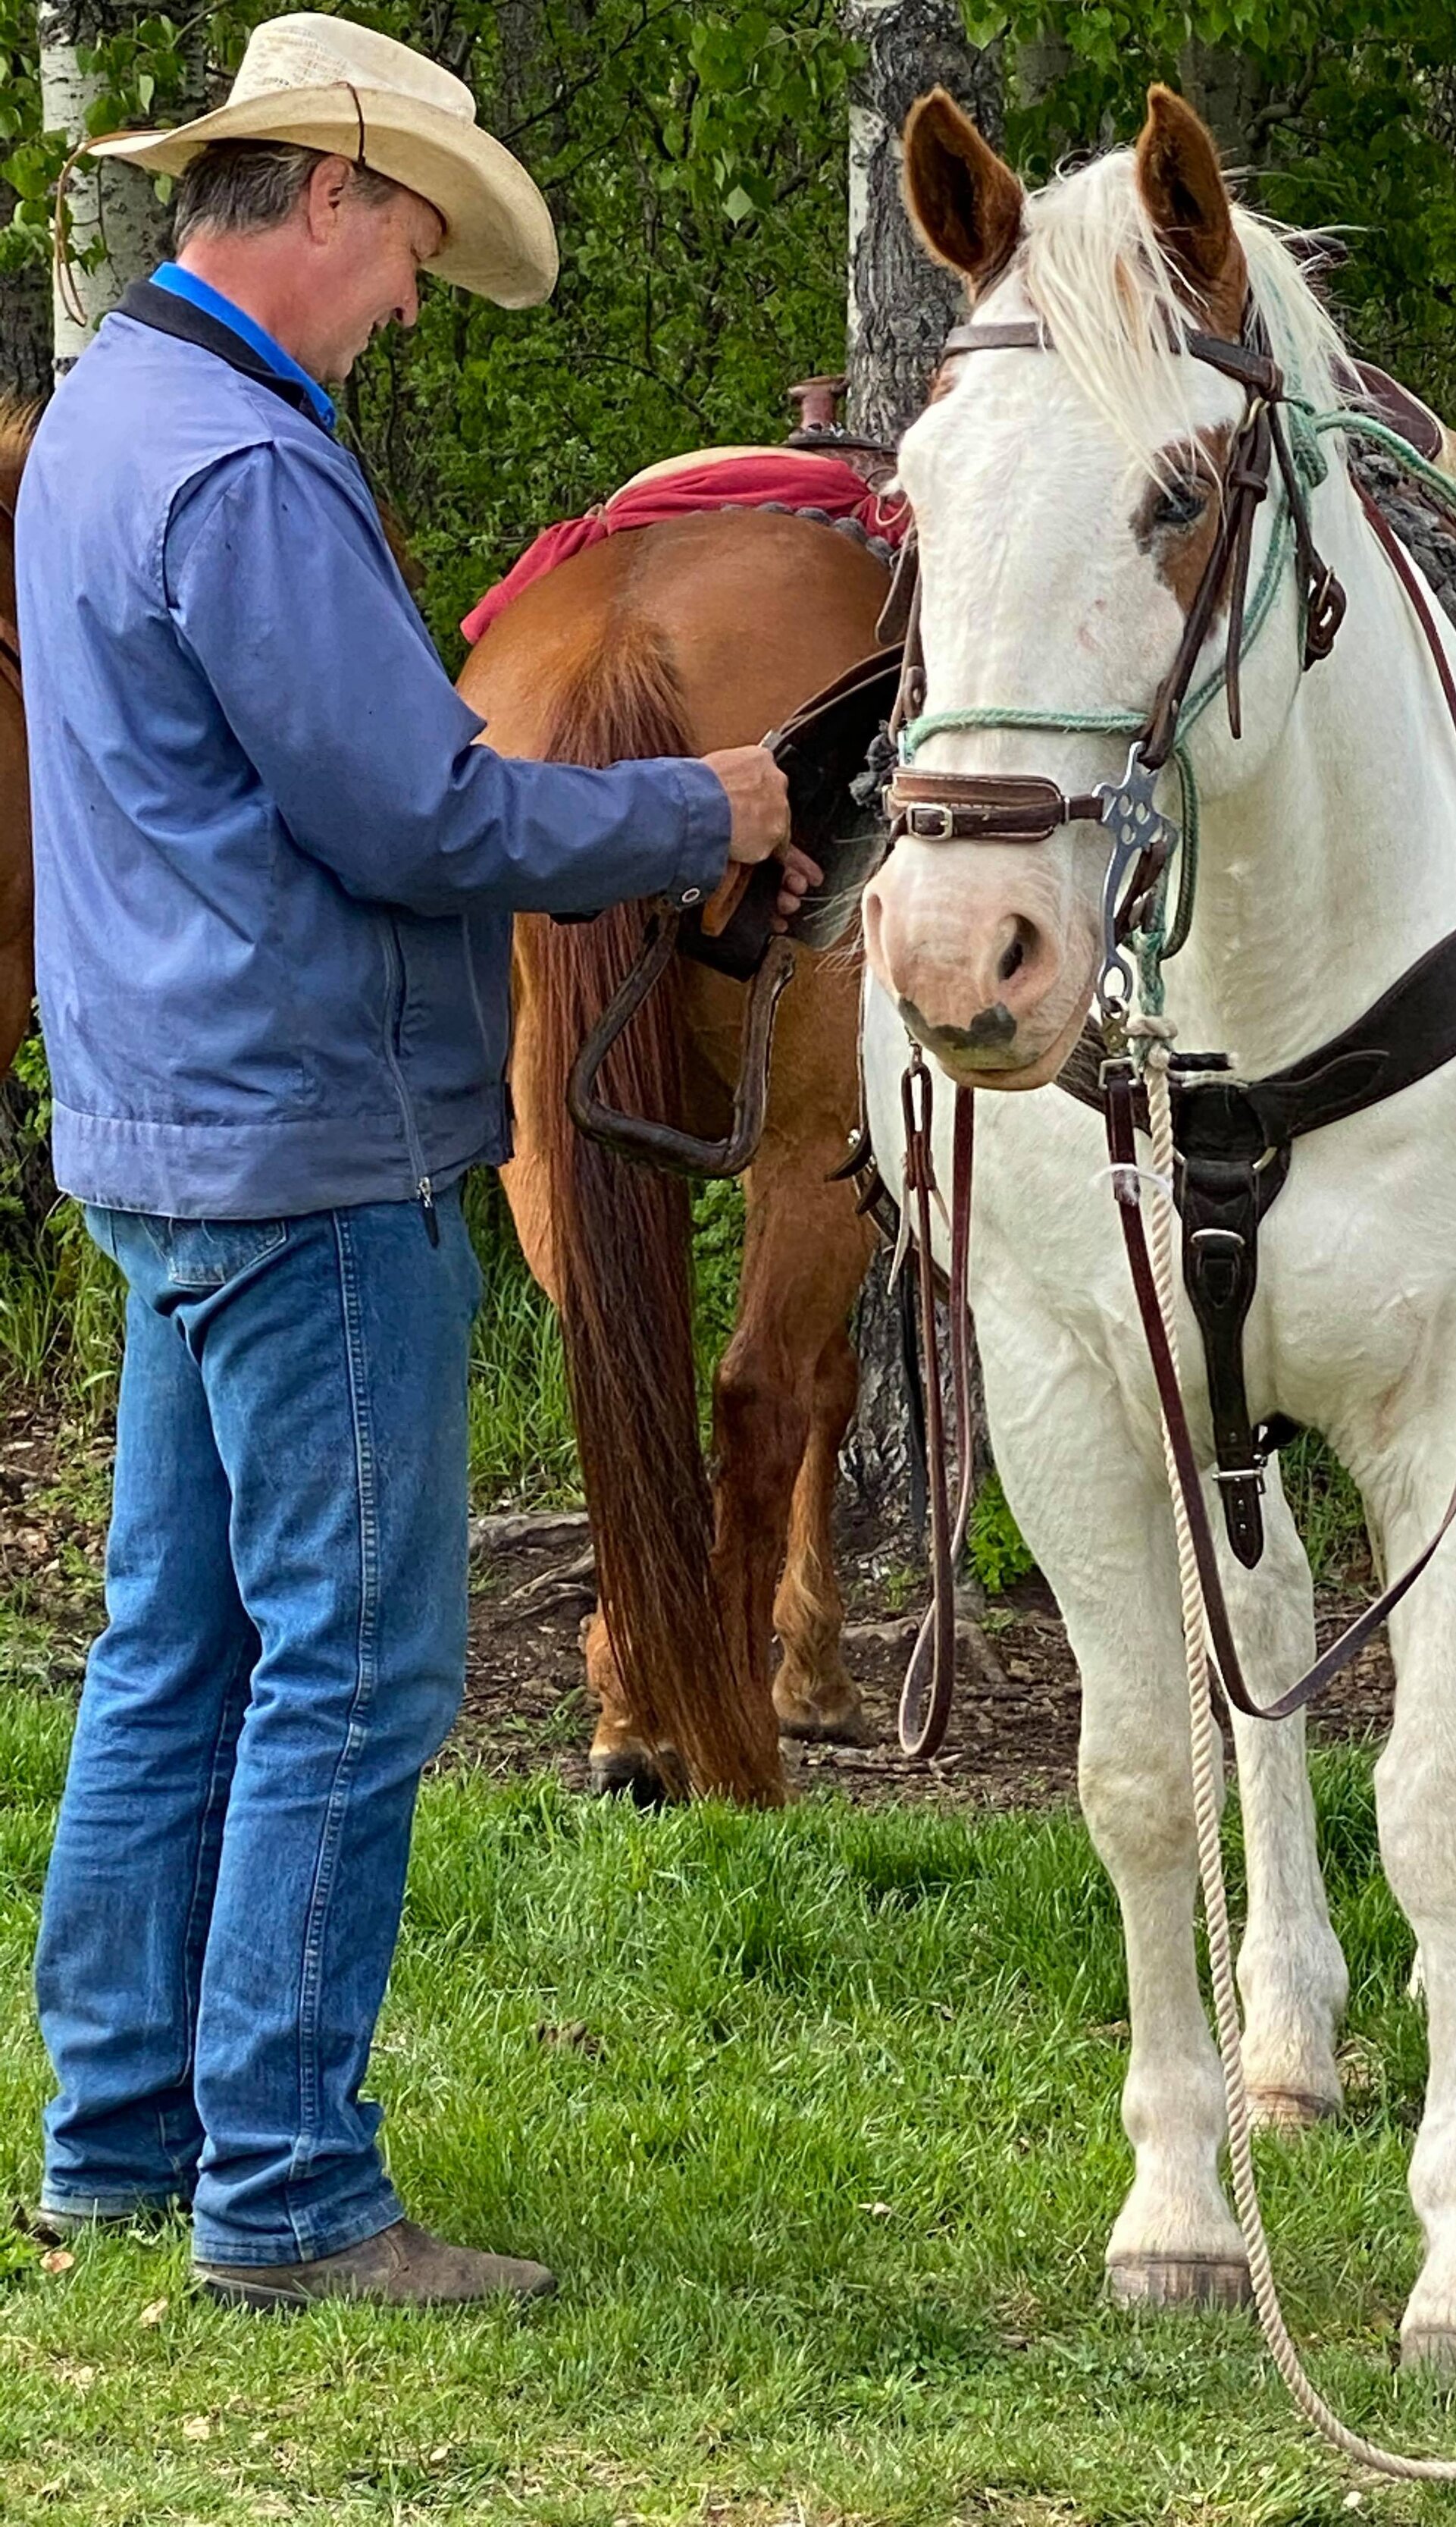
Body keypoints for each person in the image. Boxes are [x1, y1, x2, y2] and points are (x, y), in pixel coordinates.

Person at [19, 12, 816, 2312]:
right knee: (354, 1670)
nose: (402, 308)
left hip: (169, 1130)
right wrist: (707, 810)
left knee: (172, 1644)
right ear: (337, 201)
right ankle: (284, 2195)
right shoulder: (250, 473)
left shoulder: (106, 420)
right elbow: (422, 812)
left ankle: (121, 2145)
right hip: (306, 1140)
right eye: (409, 259)